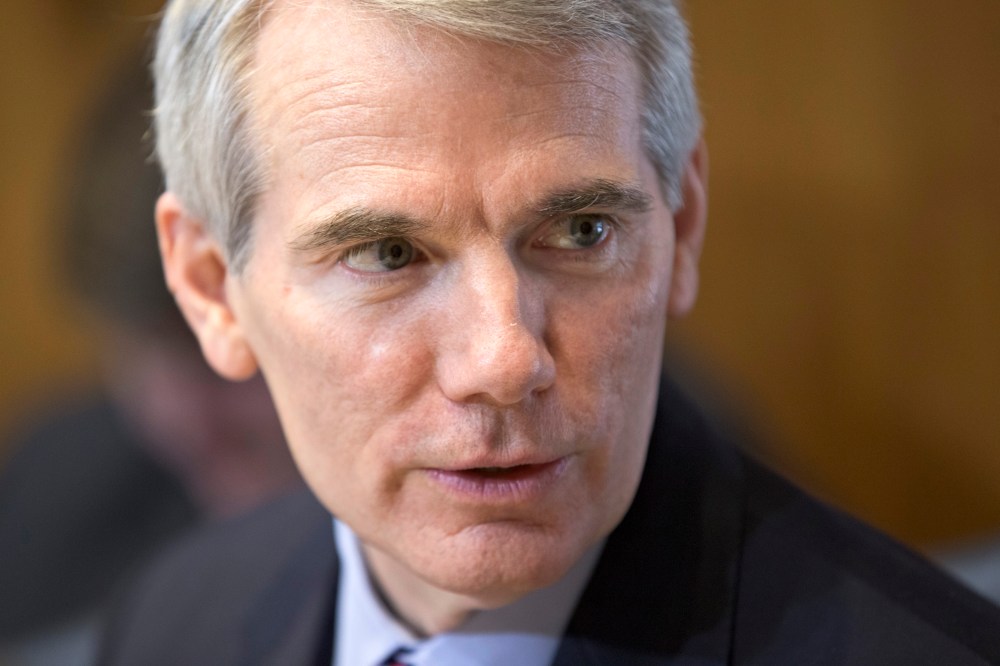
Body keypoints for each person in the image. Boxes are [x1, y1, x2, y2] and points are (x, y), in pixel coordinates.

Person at [99, 1, 1000, 664]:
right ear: (212, 288)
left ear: (680, 226)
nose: (503, 359)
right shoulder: (173, 623)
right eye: (385, 253)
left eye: (580, 233)